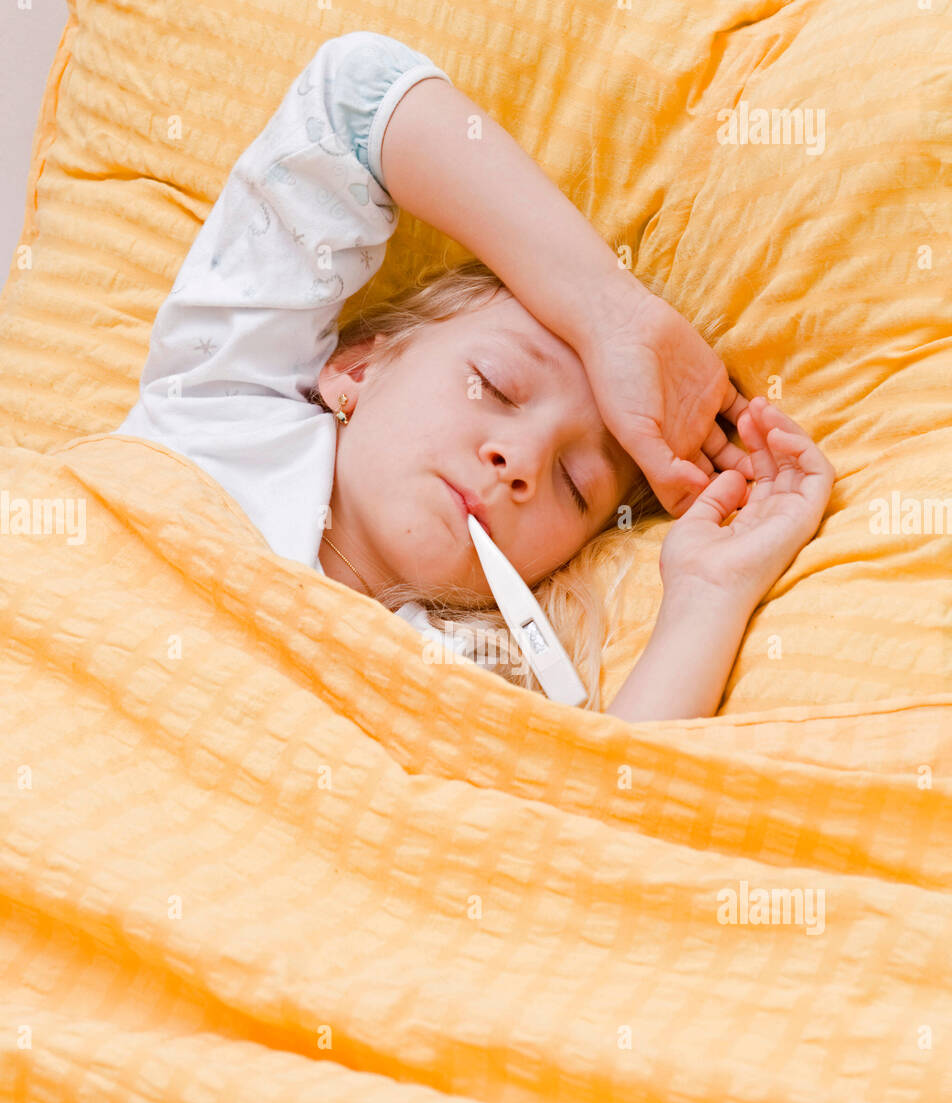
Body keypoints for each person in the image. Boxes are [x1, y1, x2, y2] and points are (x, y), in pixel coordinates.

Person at [114, 30, 833, 717]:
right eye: (495, 385)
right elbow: (352, 98)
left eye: (574, 485)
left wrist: (709, 592)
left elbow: (598, 815)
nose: (518, 462)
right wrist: (609, 314)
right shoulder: (221, 402)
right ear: (357, 370)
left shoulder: (470, 674)